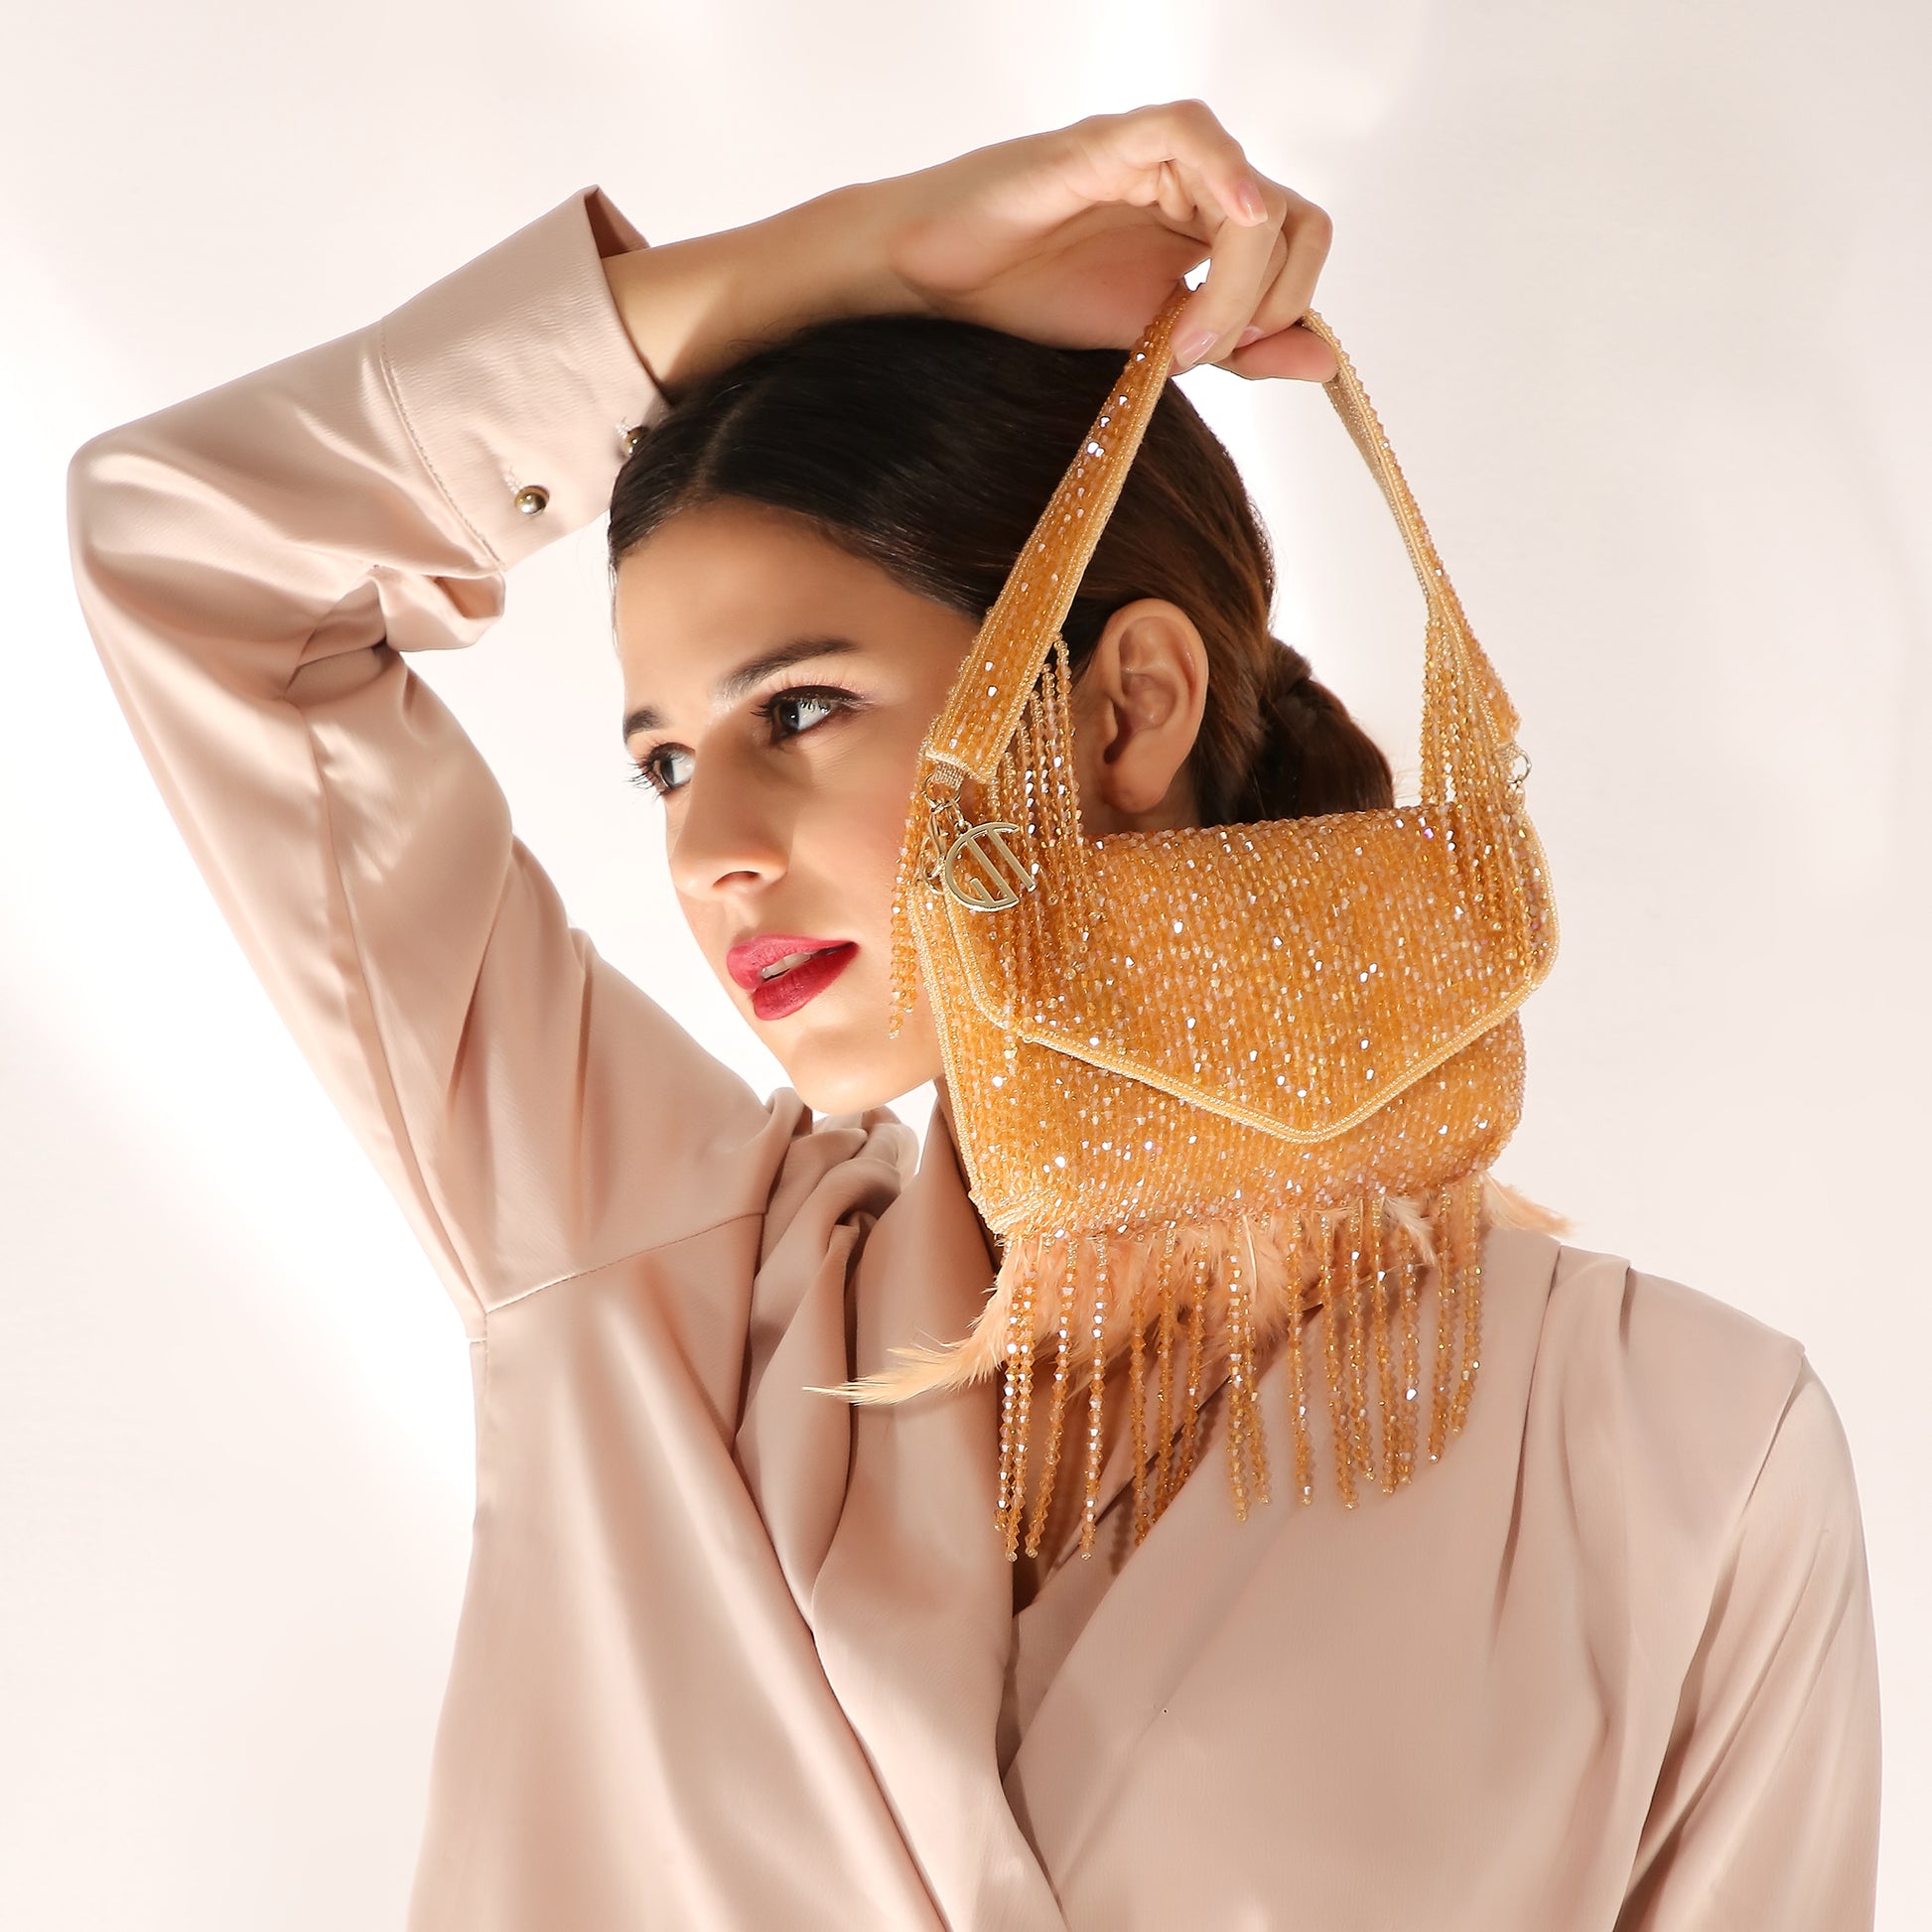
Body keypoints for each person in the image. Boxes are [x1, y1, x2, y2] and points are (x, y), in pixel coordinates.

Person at [66, 101, 1879, 1931]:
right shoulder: (645, 1282)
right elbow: (197, 561)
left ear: (1126, 704)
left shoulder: (1687, 1459)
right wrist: (850, 258)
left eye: (796, 713)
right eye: (662, 765)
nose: (708, 852)